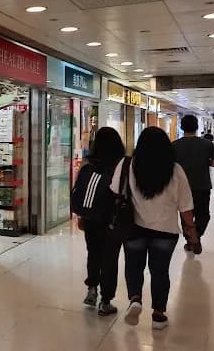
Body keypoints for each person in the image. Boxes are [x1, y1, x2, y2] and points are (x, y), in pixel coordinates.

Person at [111, 127, 200, 330]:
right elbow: (186, 207)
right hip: (165, 231)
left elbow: (115, 191)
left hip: (134, 227)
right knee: (160, 271)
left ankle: (135, 298)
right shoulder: (176, 170)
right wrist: (192, 232)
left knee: (134, 266)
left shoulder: (127, 165)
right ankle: (158, 315)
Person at [72, 127, 125, 316]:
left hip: (91, 217)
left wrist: (81, 216)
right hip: (112, 218)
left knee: (93, 253)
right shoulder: (122, 164)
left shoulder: (87, 162)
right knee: (109, 258)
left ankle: (92, 289)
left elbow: (80, 190)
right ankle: (106, 301)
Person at [172, 115, 214, 249]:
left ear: (182, 127)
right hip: (202, 186)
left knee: (186, 215)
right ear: (197, 127)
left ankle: (191, 239)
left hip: (181, 188)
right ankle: (196, 235)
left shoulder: (174, 145)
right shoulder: (207, 144)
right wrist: (204, 161)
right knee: (203, 215)